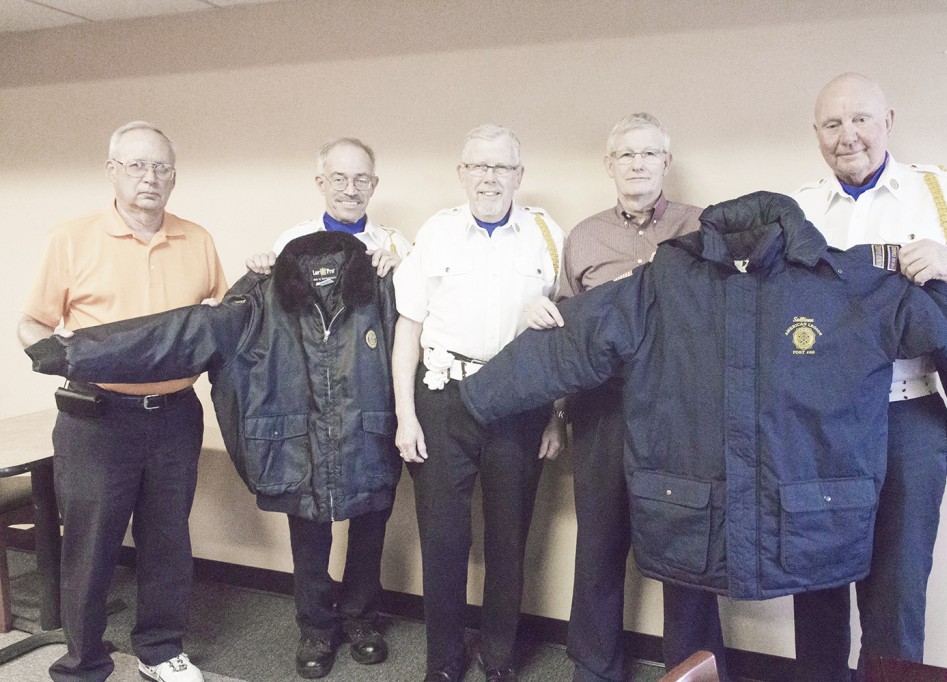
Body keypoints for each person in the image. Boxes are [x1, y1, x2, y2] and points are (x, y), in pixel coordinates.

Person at [791, 72, 947, 681]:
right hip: (817, 425)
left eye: (861, 119)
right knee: (814, 581)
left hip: (907, 416)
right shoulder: (799, 211)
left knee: (895, 593)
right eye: (832, 124)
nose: (848, 137)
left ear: (889, 121)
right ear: (816, 133)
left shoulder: (940, 194)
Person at [17, 121, 227, 682]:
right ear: (112, 171)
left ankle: (160, 651)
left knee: (167, 540)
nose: (149, 178)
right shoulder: (71, 238)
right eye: (136, 165)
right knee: (89, 546)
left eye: (161, 167)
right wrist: (51, 356)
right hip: (97, 418)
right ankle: (84, 661)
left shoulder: (198, 239)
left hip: (177, 417)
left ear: (175, 177)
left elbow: (223, 318)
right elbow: (32, 320)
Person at [526, 113, 728, 682]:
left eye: (648, 155)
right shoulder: (585, 237)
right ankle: (595, 668)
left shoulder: (703, 229)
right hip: (603, 410)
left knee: (687, 545)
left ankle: (692, 669)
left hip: (683, 416)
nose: (637, 165)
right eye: (626, 156)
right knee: (599, 542)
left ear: (666, 162)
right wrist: (558, 413)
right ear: (609, 165)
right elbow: (566, 335)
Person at [391, 123, 565, 682]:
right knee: (443, 542)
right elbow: (408, 329)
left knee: (509, 540)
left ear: (520, 174)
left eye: (501, 167)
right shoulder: (436, 234)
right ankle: (442, 663)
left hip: (519, 402)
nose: (490, 177)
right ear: (462, 173)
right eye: (478, 166)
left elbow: (567, 334)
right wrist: (404, 416)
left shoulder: (546, 234)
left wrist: (557, 412)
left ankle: (499, 660)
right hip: (443, 400)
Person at [245, 137, 410, 679]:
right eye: (338, 178)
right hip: (308, 415)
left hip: (369, 413)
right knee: (309, 526)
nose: (350, 188)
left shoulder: (395, 247)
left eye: (361, 179)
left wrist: (404, 265)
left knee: (369, 520)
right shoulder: (288, 246)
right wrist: (257, 268)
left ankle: (361, 617)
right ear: (320, 182)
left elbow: (412, 330)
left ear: (374, 185)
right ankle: (315, 626)